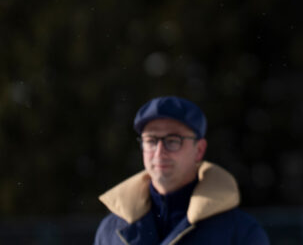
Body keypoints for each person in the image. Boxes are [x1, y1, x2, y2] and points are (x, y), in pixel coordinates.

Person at [93, 96, 270, 244]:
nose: (160, 151)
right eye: (151, 140)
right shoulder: (111, 230)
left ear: (199, 150)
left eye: (173, 140)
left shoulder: (240, 232)